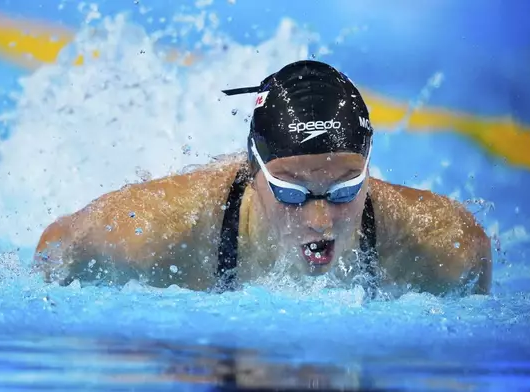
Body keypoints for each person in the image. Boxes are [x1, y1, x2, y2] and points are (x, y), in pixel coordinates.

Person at [33, 60, 492, 297]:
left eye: (345, 190)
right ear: (253, 172)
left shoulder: (440, 245)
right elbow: (58, 247)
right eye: (291, 193)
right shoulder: (159, 230)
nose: (320, 220)